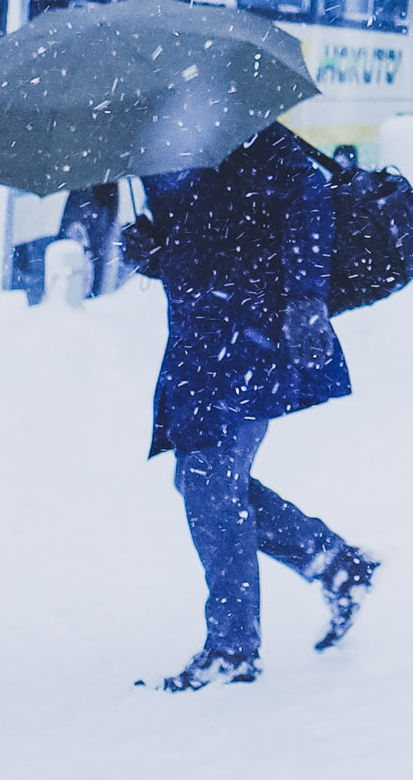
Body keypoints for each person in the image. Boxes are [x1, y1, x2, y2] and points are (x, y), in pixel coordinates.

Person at [128, 121, 379, 692]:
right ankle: (337, 566)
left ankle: (234, 648)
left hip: (250, 321)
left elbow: (307, 194)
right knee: (203, 481)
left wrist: (307, 298)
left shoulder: (227, 115)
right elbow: (196, 230)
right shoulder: (146, 132)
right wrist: (152, 251)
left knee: (210, 479)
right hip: (198, 330)